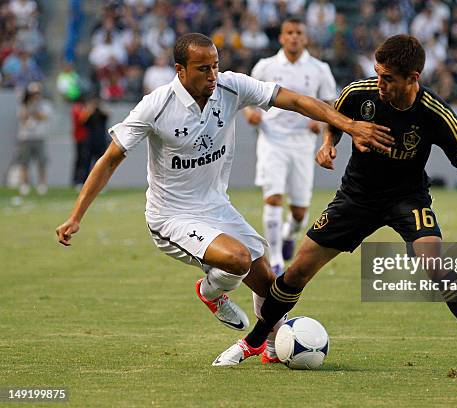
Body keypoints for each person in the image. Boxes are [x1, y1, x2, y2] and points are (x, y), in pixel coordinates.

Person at [55, 33, 392, 360]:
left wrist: (347, 125)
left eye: (215, 65)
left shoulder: (230, 86)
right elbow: (110, 158)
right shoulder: (156, 107)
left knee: (270, 286)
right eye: (203, 69)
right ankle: (210, 291)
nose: (213, 75)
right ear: (180, 70)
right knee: (238, 259)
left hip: (217, 206)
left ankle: (274, 349)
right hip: (171, 215)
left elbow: (296, 100)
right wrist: (76, 216)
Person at [214, 35, 457, 376]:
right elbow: (335, 118)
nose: (379, 84)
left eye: (388, 78)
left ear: (413, 78)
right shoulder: (359, 93)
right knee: (297, 272)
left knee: (435, 264)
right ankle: (254, 341)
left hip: (407, 199)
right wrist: (328, 144)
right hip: (356, 197)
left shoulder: (436, 114)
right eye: (377, 74)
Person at [244, 17, 337, 274]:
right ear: (281, 37)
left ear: (305, 37)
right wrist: (250, 113)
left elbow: (330, 106)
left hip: (302, 144)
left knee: (299, 213)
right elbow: (247, 97)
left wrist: (319, 125)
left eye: (298, 32)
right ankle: (275, 260)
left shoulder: (320, 69)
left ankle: (289, 232)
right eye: (289, 32)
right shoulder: (265, 66)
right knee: (273, 198)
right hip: (272, 139)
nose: (294, 36)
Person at [16, 82, 52, 195]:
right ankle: (24, 184)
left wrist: (35, 109)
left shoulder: (45, 105)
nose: (35, 96)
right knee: (24, 162)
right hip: (26, 137)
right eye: (33, 93)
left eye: (37, 93)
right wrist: (28, 105)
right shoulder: (24, 105)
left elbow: (43, 117)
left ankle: (42, 184)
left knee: (41, 162)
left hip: (39, 136)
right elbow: (22, 118)